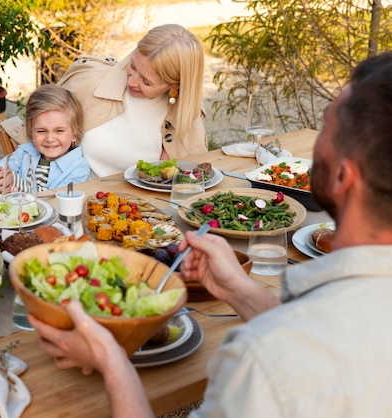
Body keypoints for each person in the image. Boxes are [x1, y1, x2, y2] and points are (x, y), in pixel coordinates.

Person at [29, 52, 392, 417]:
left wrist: (111, 357)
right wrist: (239, 288)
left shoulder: (263, 361)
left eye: (325, 129)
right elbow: (319, 337)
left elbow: (299, 346)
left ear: (344, 177)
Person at [2, 24, 207, 178]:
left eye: (146, 81)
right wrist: (6, 172)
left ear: (175, 85)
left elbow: (187, 181)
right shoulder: (90, 82)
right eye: (133, 66)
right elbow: (39, 130)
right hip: (70, 194)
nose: (132, 82)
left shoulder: (186, 119)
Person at [0, 84, 90, 192]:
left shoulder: (78, 169)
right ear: (31, 132)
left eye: (59, 131)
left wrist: (14, 181)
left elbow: (54, 200)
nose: (50, 139)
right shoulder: (23, 153)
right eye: (41, 131)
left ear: (74, 134)